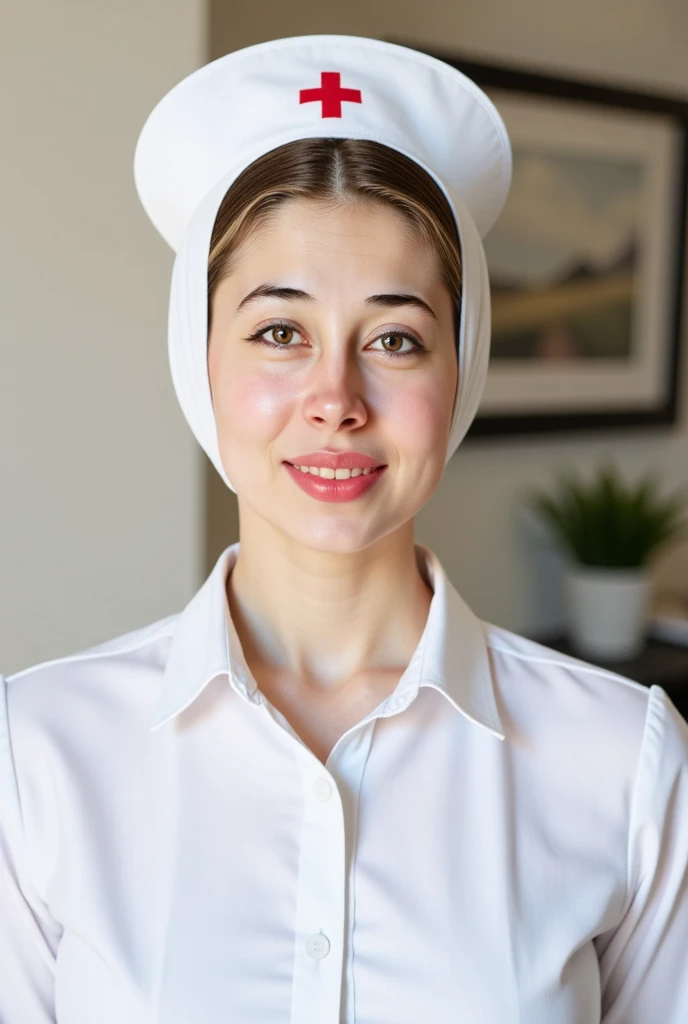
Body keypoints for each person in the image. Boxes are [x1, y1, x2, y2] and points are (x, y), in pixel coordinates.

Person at [1, 34, 686, 1024]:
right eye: (280, 330)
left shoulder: (625, 767)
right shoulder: (38, 759)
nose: (335, 398)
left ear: (463, 368)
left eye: (395, 338)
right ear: (198, 361)